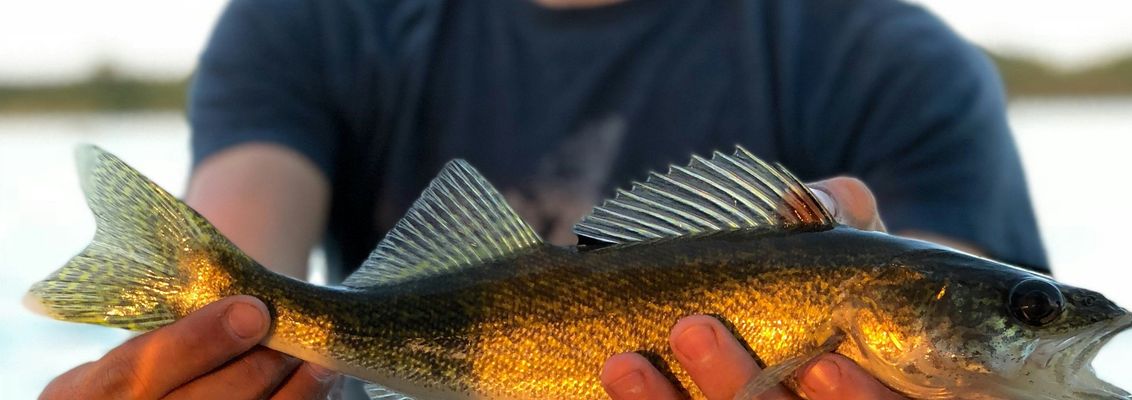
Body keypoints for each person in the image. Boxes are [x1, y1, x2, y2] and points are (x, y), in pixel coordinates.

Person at [40, 0, 1047, 398]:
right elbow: (242, 250)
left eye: (1028, 310)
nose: (1032, 323)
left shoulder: (891, 58)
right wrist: (199, 357)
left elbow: (977, 352)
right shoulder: (312, 22)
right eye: (1031, 310)